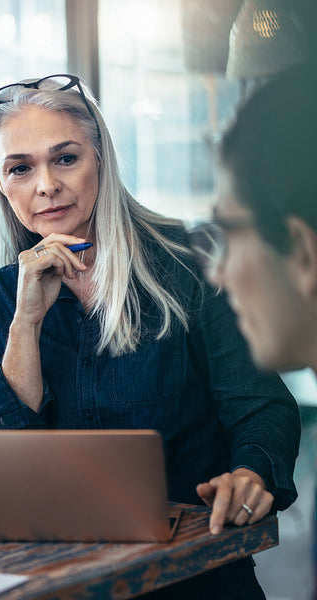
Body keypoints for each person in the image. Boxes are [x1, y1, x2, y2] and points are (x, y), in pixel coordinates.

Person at [0, 74, 300, 599]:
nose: (46, 186)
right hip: (66, 580)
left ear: (101, 159)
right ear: (1, 184)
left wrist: (250, 474)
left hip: (194, 575)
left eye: (65, 158)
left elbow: (262, 406)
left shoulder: (191, 261)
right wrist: (26, 322)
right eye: (20, 168)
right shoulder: (0, 297)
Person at [207, 59, 317, 598]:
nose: (218, 274)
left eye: (229, 233)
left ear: (300, 252)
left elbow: (262, 411)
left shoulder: (182, 277)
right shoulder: (3, 296)